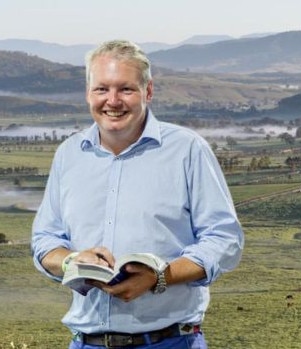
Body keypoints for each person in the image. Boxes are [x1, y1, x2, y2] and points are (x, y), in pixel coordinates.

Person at [31, 39, 244, 349]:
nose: (112, 101)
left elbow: (225, 239)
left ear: (148, 91)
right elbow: (44, 240)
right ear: (88, 93)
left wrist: (160, 276)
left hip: (170, 342)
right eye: (102, 89)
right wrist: (72, 261)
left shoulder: (187, 150)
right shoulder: (68, 154)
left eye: (125, 89)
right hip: (85, 343)